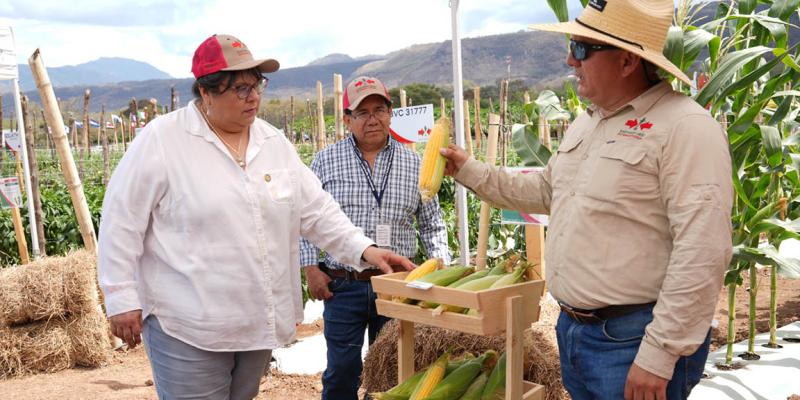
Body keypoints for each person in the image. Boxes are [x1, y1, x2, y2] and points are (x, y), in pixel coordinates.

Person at [439, 1, 733, 399]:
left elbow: (703, 250)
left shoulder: (686, 128)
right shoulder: (589, 120)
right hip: (576, 333)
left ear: (628, 61)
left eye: (580, 49)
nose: (569, 60)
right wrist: (470, 170)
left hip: (633, 342)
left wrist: (659, 355)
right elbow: (547, 191)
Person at [97, 34, 415, 400]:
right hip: (188, 323)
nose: (254, 96)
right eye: (240, 88)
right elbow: (122, 219)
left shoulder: (272, 142)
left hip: (255, 321)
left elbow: (316, 210)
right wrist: (121, 297)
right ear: (206, 92)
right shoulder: (163, 140)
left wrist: (367, 251)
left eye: (257, 85)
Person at [299, 76, 451, 400]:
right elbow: (305, 219)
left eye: (379, 109)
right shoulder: (325, 161)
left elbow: (432, 223)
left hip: (397, 286)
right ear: (347, 119)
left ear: (391, 113)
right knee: (342, 373)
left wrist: (441, 266)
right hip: (343, 285)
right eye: (362, 112)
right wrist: (311, 268)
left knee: (393, 373)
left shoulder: (415, 163)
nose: (372, 119)